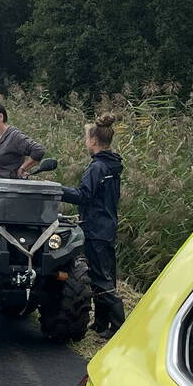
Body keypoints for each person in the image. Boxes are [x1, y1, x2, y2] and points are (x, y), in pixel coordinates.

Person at [61, 113, 125, 338]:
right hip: (107, 226)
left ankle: (119, 328)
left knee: (99, 278)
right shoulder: (112, 165)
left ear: (93, 141)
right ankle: (100, 323)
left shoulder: (97, 167)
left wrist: (57, 190)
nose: (85, 142)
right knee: (104, 275)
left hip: (96, 228)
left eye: (86, 139)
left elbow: (84, 195)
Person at [0, 102, 45, 179]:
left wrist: (23, 168)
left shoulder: (14, 136)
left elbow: (38, 150)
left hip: (9, 187)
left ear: (0, 117)